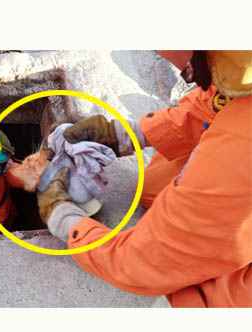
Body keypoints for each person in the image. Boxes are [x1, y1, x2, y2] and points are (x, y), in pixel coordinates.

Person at [38, 50, 251, 307]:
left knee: (192, 288)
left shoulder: (242, 147)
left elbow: (139, 261)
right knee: (153, 186)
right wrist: (126, 134)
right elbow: (214, 106)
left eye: (188, 71)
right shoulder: (241, 66)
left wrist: (63, 218)